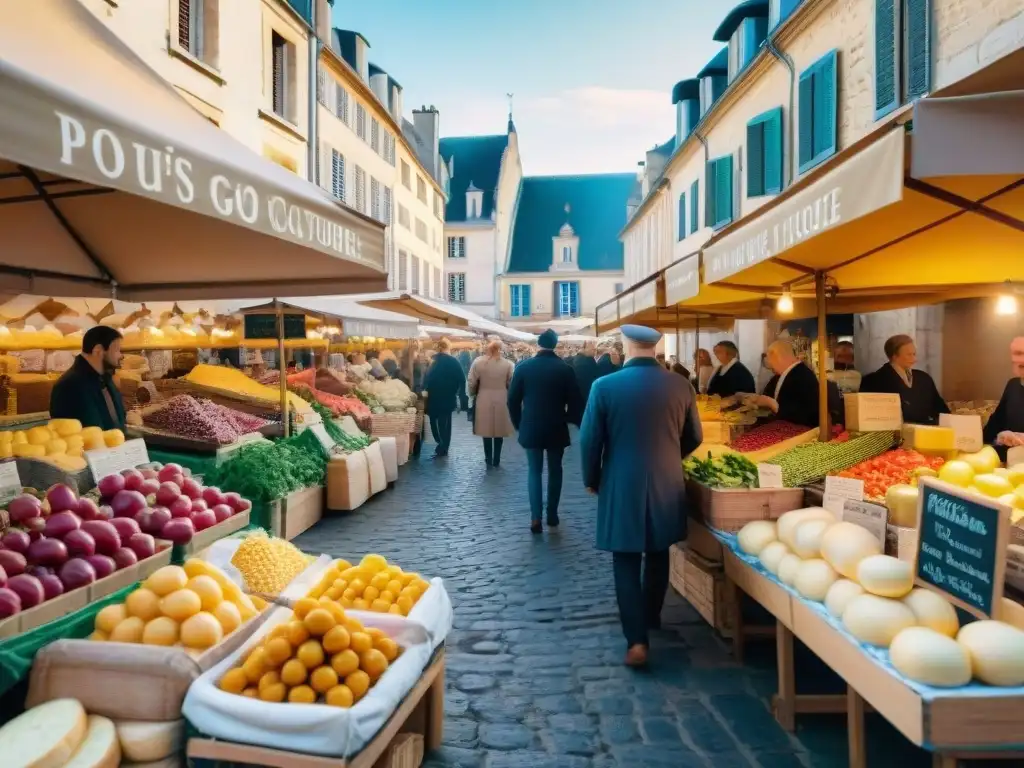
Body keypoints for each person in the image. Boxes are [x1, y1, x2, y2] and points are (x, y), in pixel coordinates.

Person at [580, 324, 702, 668]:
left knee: (626, 557)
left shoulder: (604, 386)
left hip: (621, 478)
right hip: (667, 478)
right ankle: (651, 616)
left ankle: (636, 640)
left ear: (626, 345)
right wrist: (669, 456)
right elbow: (694, 436)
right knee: (659, 550)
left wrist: (592, 477)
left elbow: (590, 441)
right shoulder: (680, 384)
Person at [507, 329, 583, 533]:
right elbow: (575, 400)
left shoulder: (524, 367)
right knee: (556, 470)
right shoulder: (565, 369)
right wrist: (568, 418)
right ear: (555, 345)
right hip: (556, 425)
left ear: (538, 344)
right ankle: (552, 514)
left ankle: (535, 517)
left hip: (531, 425)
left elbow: (512, 400)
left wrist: (519, 423)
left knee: (534, 471)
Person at [861, 334, 949, 425]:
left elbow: (941, 410)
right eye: (909, 355)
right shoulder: (873, 380)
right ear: (894, 356)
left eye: (914, 354)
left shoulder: (924, 378)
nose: (914, 359)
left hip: (927, 432)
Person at [50, 326, 127, 430]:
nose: (121, 356)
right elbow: (91, 432)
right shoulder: (71, 386)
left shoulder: (104, 379)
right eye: (117, 350)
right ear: (98, 351)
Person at [468, 339, 515, 467]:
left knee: (486, 430)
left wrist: (472, 394)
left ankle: (488, 458)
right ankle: (497, 459)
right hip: (501, 397)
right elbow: (511, 383)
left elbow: (471, 381)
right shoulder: (509, 364)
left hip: (483, 397)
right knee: (499, 430)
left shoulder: (478, 362)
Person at [753, 340, 820, 428]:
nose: (769, 368)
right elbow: (766, 395)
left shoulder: (803, 376)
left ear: (776, 357)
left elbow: (799, 415)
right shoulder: (779, 375)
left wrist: (771, 404)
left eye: (768, 360)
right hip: (779, 426)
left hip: (801, 431)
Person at [422, 338, 465, 458]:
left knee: (433, 420)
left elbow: (425, 377)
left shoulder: (432, 361)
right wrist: (460, 395)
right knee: (445, 422)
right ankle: (444, 445)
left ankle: (439, 442)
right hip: (448, 396)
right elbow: (462, 379)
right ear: (448, 348)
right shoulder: (453, 361)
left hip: (433, 396)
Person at [983, 336, 1024, 460]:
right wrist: (998, 438)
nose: (1018, 360)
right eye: (1016, 354)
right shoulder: (1013, 385)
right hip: (1007, 462)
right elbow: (996, 423)